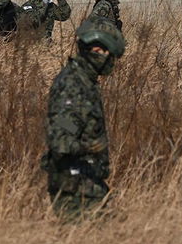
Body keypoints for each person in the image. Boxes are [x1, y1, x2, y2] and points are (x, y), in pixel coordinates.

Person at [40, 19, 125, 221]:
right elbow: (60, 137)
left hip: (88, 186)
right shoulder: (73, 84)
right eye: (108, 54)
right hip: (74, 191)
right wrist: (90, 146)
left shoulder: (85, 82)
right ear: (96, 50)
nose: (110, 61)